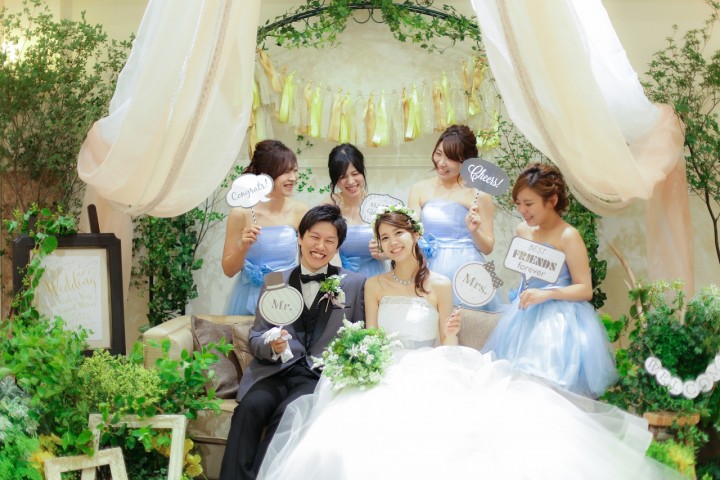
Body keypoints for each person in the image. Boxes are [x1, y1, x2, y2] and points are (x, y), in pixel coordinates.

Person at [257, 207, 679, 480]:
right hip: (385, 368)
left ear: (414, 235)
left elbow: (447, 339)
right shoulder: (373, 284)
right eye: (384, 238)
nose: (392, 242)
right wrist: (366, 360)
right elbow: (370, 334)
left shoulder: (441, 285)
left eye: (398, 233)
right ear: (380, 246)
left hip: (429, 364)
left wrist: (452, 333)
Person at [219, 204, 366, 480]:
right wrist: (271, 346)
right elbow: (256, 337)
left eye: (329, 241)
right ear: (300, 237)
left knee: (288, 416)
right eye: (314, 237)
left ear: (337, 247)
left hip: (316, 377)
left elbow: (360, 337)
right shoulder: (275, 281)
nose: (320, 246)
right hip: (273, 372)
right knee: (248, 410)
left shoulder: (354, 284)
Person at [482, 162, 618, 398]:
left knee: (547, 390)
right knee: (514, 387)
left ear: (552, 200)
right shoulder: (523, 230)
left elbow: (585, 289)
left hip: (558, 322)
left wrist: (548, 293)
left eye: (529, 204)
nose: (522, 210)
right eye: (518, 203)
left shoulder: (568, 236)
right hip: (523, 317)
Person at [408, 124, 501, 311]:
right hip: (428, 269)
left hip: (467, 274)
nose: (441, 163)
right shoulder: (419, 188)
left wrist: (475, 232)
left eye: (450, 158)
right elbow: (410, 233)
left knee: (468, 325)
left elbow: (488, 247)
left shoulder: (479, 194)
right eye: (438, 153)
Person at [222, 140, 308, 315]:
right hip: (248, 298)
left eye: (294, 170)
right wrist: (242, 247)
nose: (293, 178)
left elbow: (307, 263)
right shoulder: (241, 213)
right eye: (285, 172)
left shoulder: (300, 211)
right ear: (265, 174)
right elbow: (229, 271)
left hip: (286, 299)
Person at [325, 143, 387, 278]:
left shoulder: (378, 205)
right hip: (341, 276)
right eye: (343, 177)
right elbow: (326, 249)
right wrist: (339, 282)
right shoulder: (327, 208)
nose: (351, 181)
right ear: (334, 178)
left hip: (377, 277)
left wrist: (384, 252)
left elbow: (394, 248)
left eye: (355, 173)